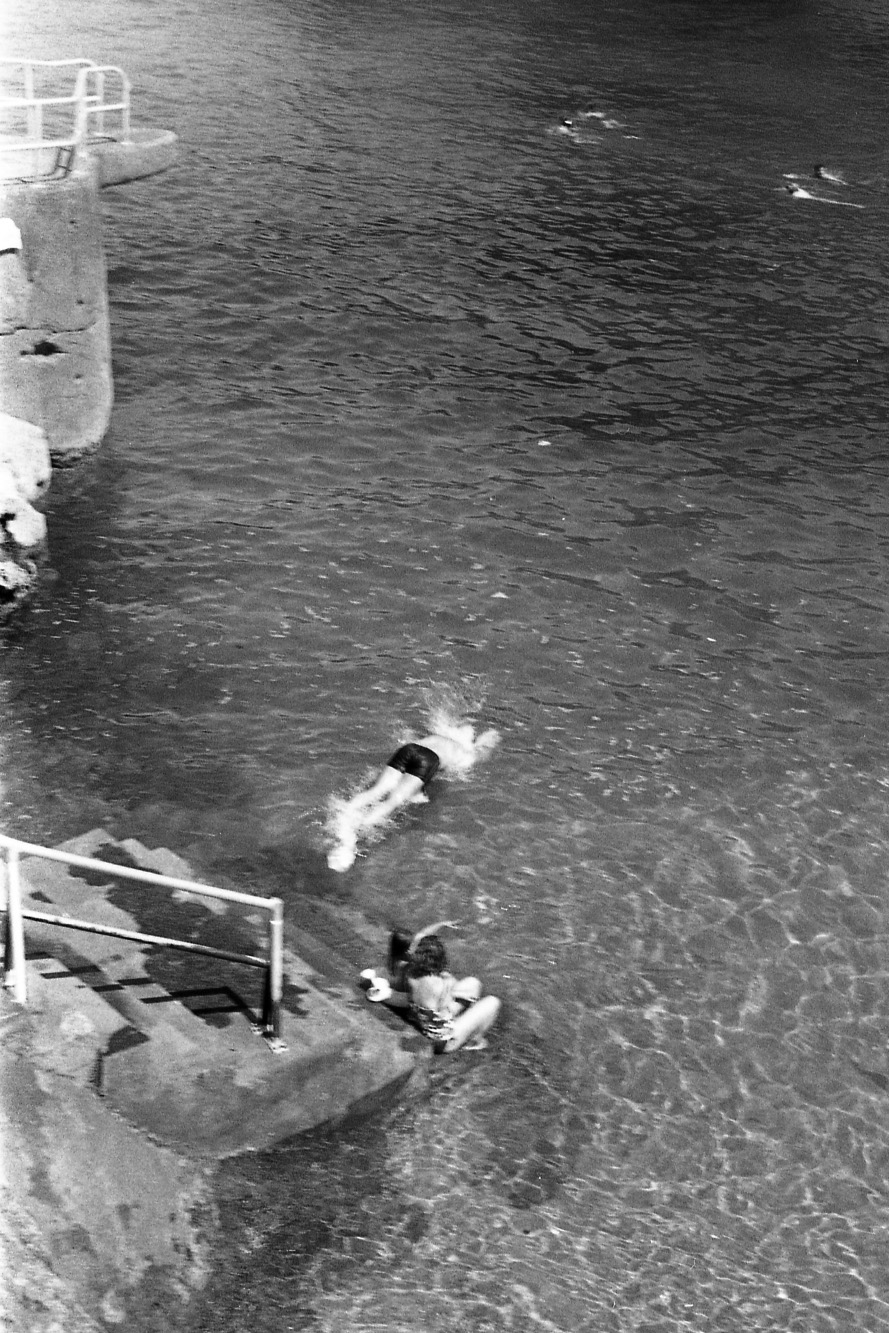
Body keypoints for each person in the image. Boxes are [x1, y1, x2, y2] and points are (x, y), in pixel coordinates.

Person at [327, 723, 498, 871]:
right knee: (394, 801)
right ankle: (351, 840)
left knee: (378, 790)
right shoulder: (468, 756)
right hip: (429, 759)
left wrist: (416, 790)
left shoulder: (444, 737)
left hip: (409, 749)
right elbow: (440, 769)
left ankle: (345, 812)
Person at [363, 932, 501, 1053]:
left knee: (473, 983)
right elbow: (444, 1009)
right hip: (444, 1042)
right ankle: (475, 1041)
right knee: (493, 1002)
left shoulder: (411, 977)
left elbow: (403, 999)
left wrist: (381, 993)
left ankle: (466, 1021)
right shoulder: (440, 984)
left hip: (423, 1023)